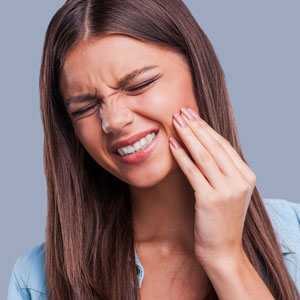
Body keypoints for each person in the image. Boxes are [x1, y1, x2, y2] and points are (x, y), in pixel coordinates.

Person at [6, 0, 300, 299]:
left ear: (199, 72)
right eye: (86, 107)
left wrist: (227, 261)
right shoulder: (36, 279)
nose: (114, 121)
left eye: (138, 85)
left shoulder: (296, 235)